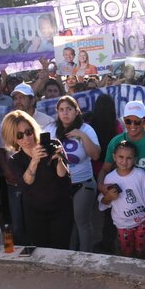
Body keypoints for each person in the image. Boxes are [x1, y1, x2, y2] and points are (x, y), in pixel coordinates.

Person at [2, 110, 73, 249]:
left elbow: (63, 175)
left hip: (61, 208)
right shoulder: (15, 160)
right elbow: (26, 183)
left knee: (61, 249)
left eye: (28, 132)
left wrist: (59, 160)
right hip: (35, 212)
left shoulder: (52, 144)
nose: (26, 138)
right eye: (19, 135)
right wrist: (34, 160)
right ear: (13, 138)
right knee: (41, 251)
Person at [0, 83, 54, 244]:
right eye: (15, 97)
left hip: (42, 180)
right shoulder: (7, 122)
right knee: (17, 219)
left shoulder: (47, 120)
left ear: (32, 99)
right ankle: (23, 251)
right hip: (15, 179)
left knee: (39, 218)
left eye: (22, 97)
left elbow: (53, 149)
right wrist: (8, 171)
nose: (18, 100)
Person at [45, 96, 101, 252]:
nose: (65, 113)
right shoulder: (50, 129)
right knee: (66, 222)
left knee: (82, 222)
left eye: (69, 109)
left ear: (77, 112)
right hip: (59, 184)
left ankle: (85, 257)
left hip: (83, 183)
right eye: (61, 110)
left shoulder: (86, 129)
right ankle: (68, 255)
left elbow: (95, 155)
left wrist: (82, 136)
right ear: (57, 112)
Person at [98, 101, 145, 200]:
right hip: (120, 198)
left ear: (144, 121)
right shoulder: (116, 141)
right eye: (128, 121)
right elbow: (105, 169)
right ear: (124, 120)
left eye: (137, 122)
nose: (132, 125)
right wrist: (101, 186)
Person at [98, 141, 145, 258]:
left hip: (142, 221)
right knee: (126, 252)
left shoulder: (141, 175)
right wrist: (109, 196)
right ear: (114, 157)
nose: (124, 161)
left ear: (135, 159)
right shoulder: (109, 178)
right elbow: (103, 202)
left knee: (141, 251)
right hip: (122, 224)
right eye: (121, 157)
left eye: (129, 158)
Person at [88, 94, 124, 253]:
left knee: (92, 210)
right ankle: (109, 241)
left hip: (93, 172)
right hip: (112, 172)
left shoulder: (89, 125)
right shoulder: (117, 126)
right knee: (110, 208)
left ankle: (92, 240)